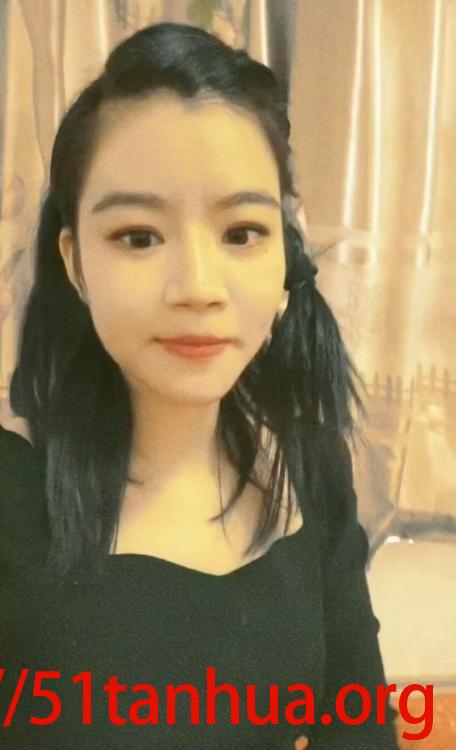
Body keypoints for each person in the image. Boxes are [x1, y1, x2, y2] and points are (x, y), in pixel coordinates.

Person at [0, 22, 399, 750]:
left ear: (283, 256)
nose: (198, 286)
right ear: (76, 262)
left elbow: (361, 730)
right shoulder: (11, 490)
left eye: (242, 233)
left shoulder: (310, 469)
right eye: (139, 236)